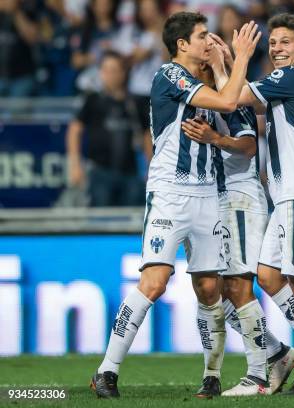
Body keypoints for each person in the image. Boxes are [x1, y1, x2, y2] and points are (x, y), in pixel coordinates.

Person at [90, 11, 261, 398]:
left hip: (208, 196)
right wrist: (242, 56)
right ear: (182, 44)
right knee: (153, 283)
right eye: (202, 36)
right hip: (170, 194)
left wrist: (224, 65)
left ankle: (212, 375)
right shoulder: (170, 75)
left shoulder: (201, 83)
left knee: (208, 288)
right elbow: (231, 99)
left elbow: (242, 119)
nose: (208, 41)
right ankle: (107, 370)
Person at [213, 13, 294, 394]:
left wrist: (237, 59)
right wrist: (226, 65)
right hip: (291, 194)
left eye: (285, 42)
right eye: (272, 43)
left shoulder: (292, 77)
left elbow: (231, 101)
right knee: (269, 275)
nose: (276, 49)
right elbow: (236, 102)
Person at [181, 50, 294, 396]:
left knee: (238, 288)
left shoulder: (228, 99)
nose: (193, 74)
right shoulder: (204, 101)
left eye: (200, 67)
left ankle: (259, 376)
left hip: (240, 198)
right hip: (217, 200)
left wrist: (214, 138)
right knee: (220, 292)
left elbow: (248, 145)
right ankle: (277, 352)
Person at [66, 50, 149, 207]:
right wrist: (75, 164)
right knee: (100, 219)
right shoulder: (92, 100)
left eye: (114, 70)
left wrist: (151, 168)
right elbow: (74, 130)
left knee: (133, 219)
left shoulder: (135, 104)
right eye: (105, 70)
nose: (109, 75)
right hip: (100, 173)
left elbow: (146, 136)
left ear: (123, 73)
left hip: (130, 173)